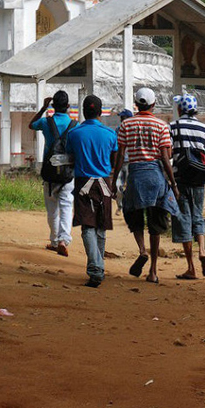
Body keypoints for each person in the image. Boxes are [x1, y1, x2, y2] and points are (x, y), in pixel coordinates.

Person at [111, 87, 180, 285]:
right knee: (156, 222)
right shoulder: (161, 126)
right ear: (153, 104)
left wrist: (114, 180)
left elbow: (120, 156)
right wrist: (173, 184)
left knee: (134, 216)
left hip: (135, 175)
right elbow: (166, 158)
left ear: (136, 103)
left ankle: (142, 251)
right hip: (156, 176)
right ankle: (153, 271)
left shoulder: (126, 125)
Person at [65, 94, 118, 288]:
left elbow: (71, 157)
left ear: (83, 112)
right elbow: (113, 161)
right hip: (104, 182)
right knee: (101, 226)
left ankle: (96, 268)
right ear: (100, 112)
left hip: (83, 182)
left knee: (88, 226)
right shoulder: (110, 134)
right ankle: (98, 267)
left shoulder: (74, 134)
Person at [170, 93, 205, 279]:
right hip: (198, 178)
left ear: (180, 109)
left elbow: (167, 151)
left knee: (183, 219)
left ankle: (191, 267)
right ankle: (203, 250)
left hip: (180, 179)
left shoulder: (173, 126)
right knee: (198, 215)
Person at [29, 90, 74, 256]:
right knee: (67, 206)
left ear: (53, 105)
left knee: (52, 209)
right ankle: (64, 239)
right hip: (68, 173)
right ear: (68, 106)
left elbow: (30, 125)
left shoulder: (46, 122)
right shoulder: (74, 125)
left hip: (49, 171)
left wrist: (42, 108)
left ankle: (54, 241)